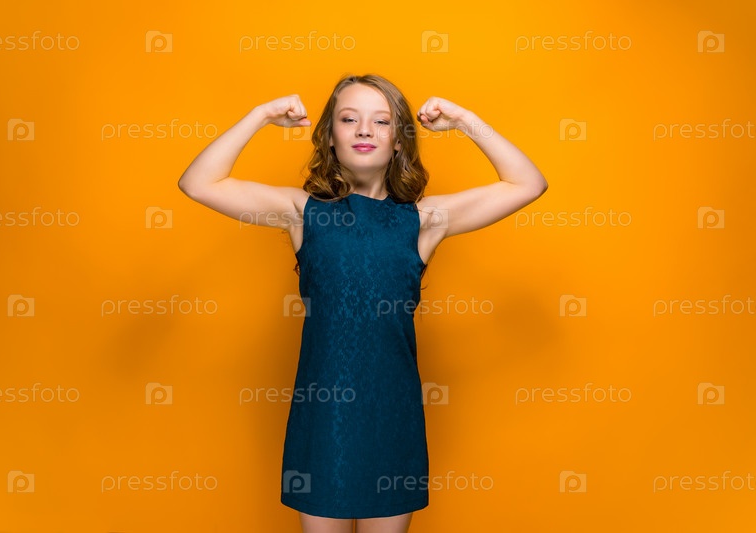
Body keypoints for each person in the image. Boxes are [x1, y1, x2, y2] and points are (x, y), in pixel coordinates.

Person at [178, 73, 547, 533]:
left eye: (382, 121)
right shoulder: (301, 212)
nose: (365, 130)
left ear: (399, 140)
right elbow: (198, 182)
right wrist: (262, 115)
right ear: (329, 137)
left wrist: (463, 120)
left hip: (391, 417)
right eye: (349, 119)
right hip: (323, 417)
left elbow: (527, 183)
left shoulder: (424, 220)